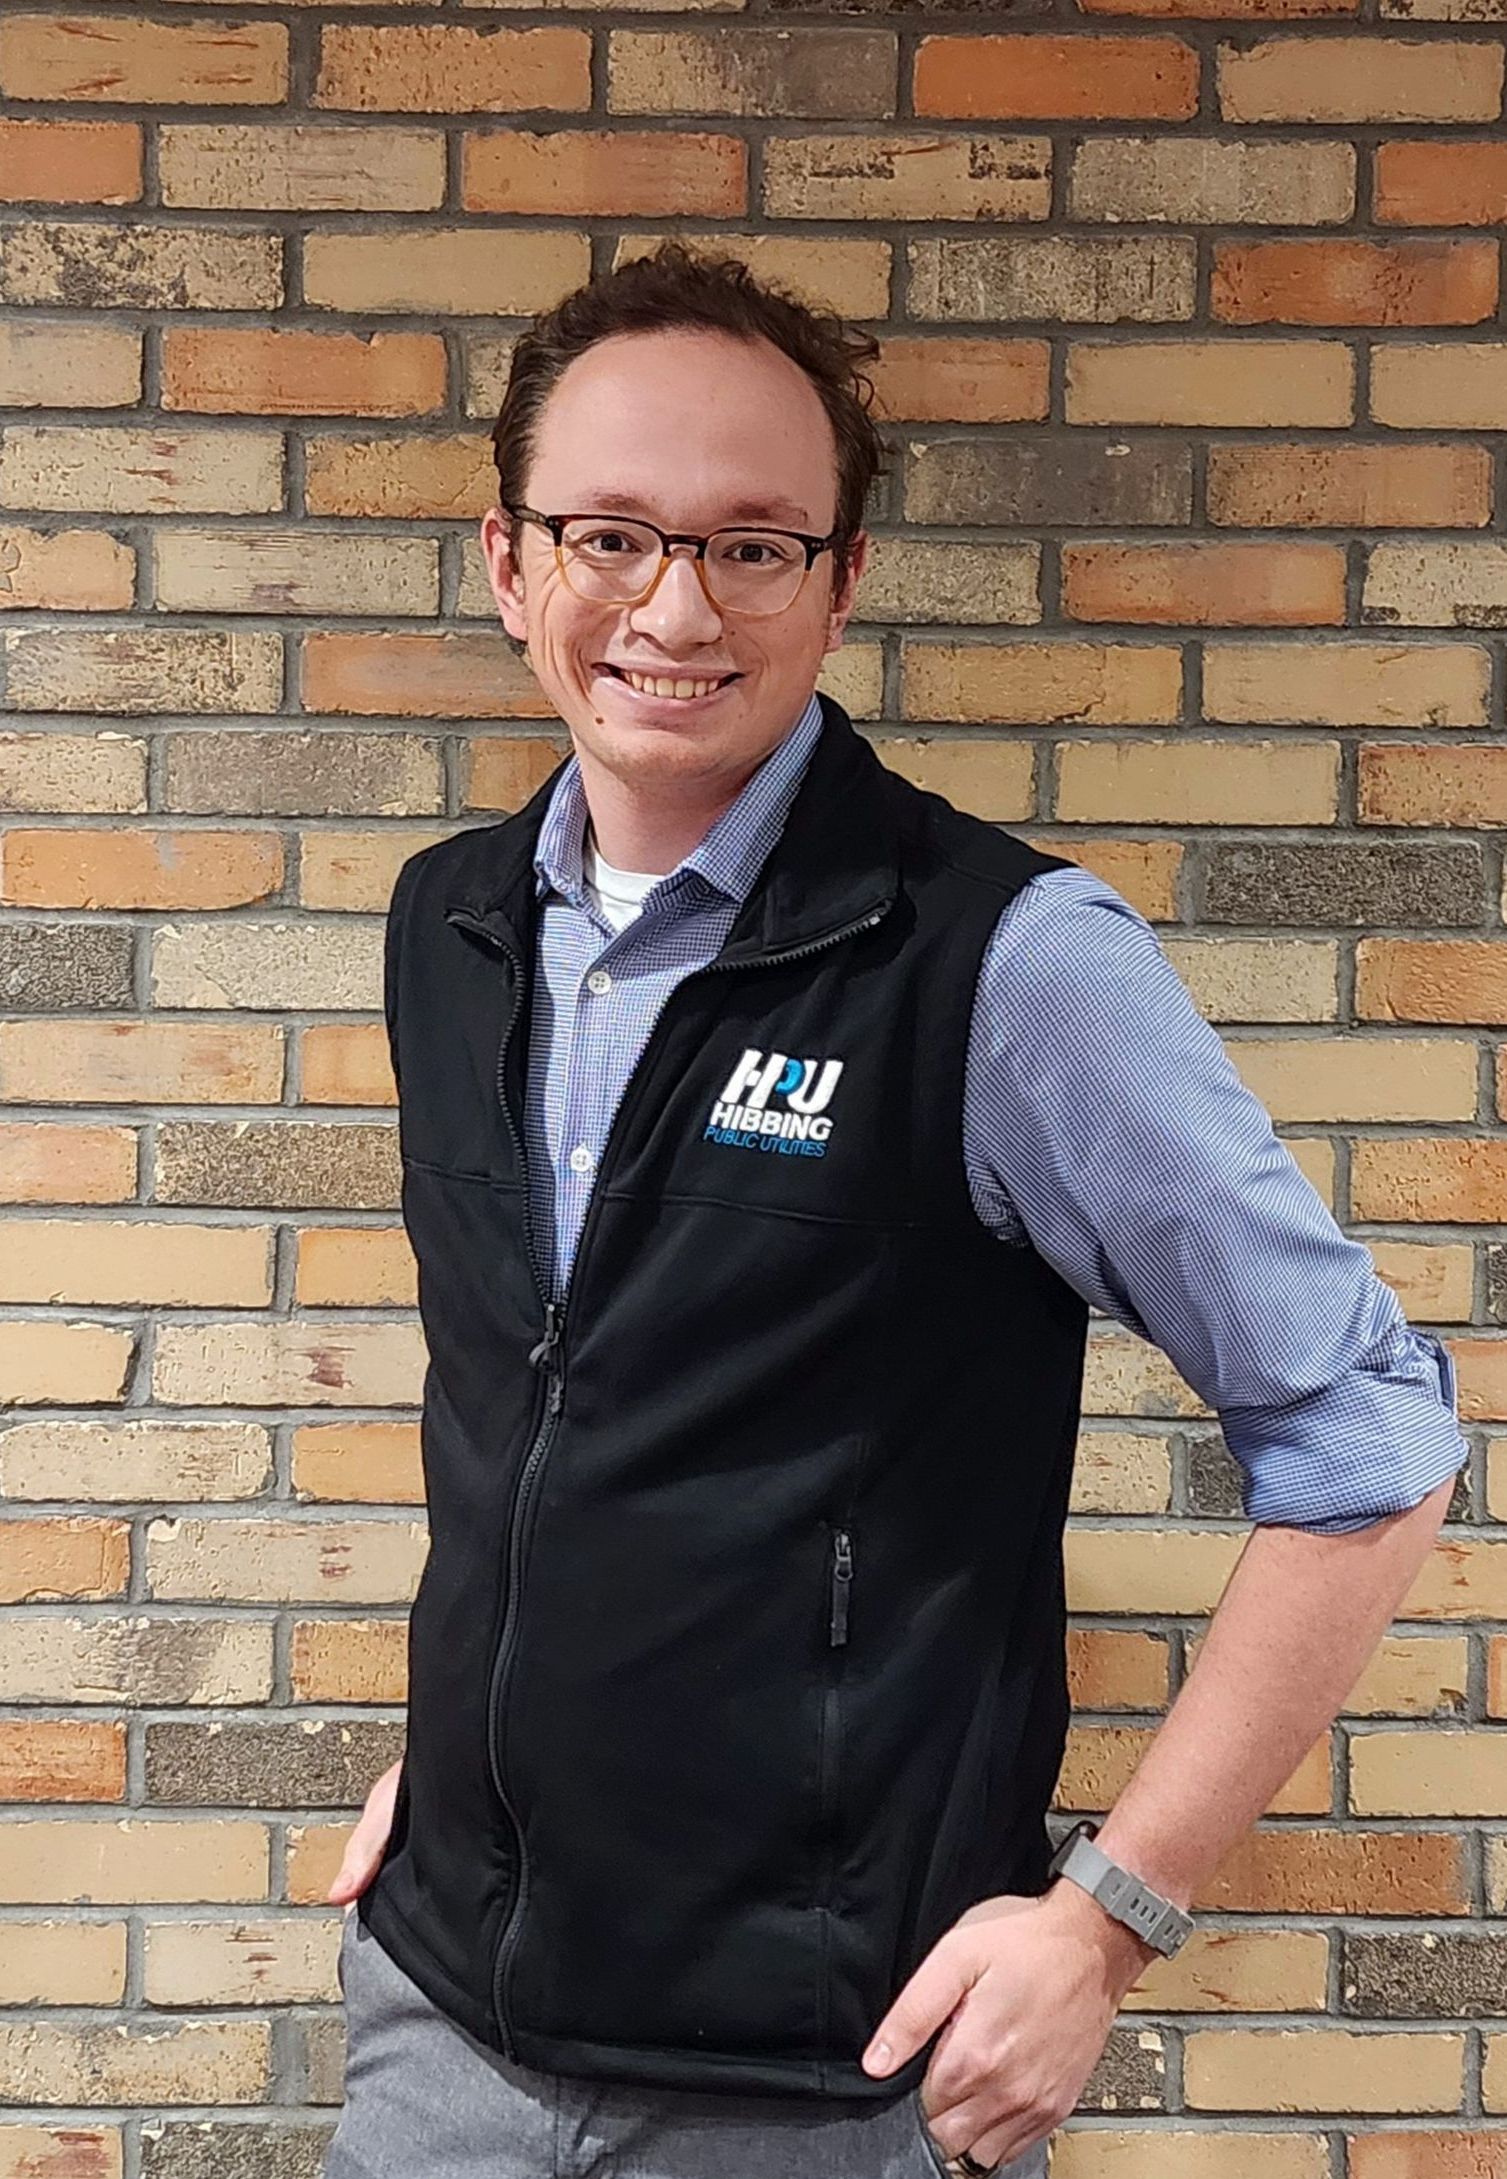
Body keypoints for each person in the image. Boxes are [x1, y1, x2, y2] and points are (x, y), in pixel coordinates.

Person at [320, 242, 1468, 2179]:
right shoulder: (450, 925)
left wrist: (1107, 1919)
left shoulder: (1003, 966)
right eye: (611, 532)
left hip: (818, 2092)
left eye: (753, 544)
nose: (674, 604)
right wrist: (483, 1751)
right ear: (509, 561)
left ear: (840, 579)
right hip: (443, 2041)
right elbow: (551, 1425)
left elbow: (1368, 1443)